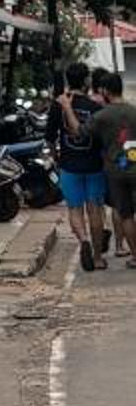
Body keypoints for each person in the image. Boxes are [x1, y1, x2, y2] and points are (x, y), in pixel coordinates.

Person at [54, 71, 111, 272]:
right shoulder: (95, 107)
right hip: (94, 166)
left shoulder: (58, 105)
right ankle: (97, 258)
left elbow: (50, 137)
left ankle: (84, 240)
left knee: (75, 209)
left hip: (69, 166)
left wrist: (57, 157)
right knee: (95, 210)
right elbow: (103, 140)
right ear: (86, 80)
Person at [89, 70, 136, 264]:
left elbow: (81, 134)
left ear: (105, 91)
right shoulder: (133, 111)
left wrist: (66, 108)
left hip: (116, 171)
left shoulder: (101, 116)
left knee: (126, 214)